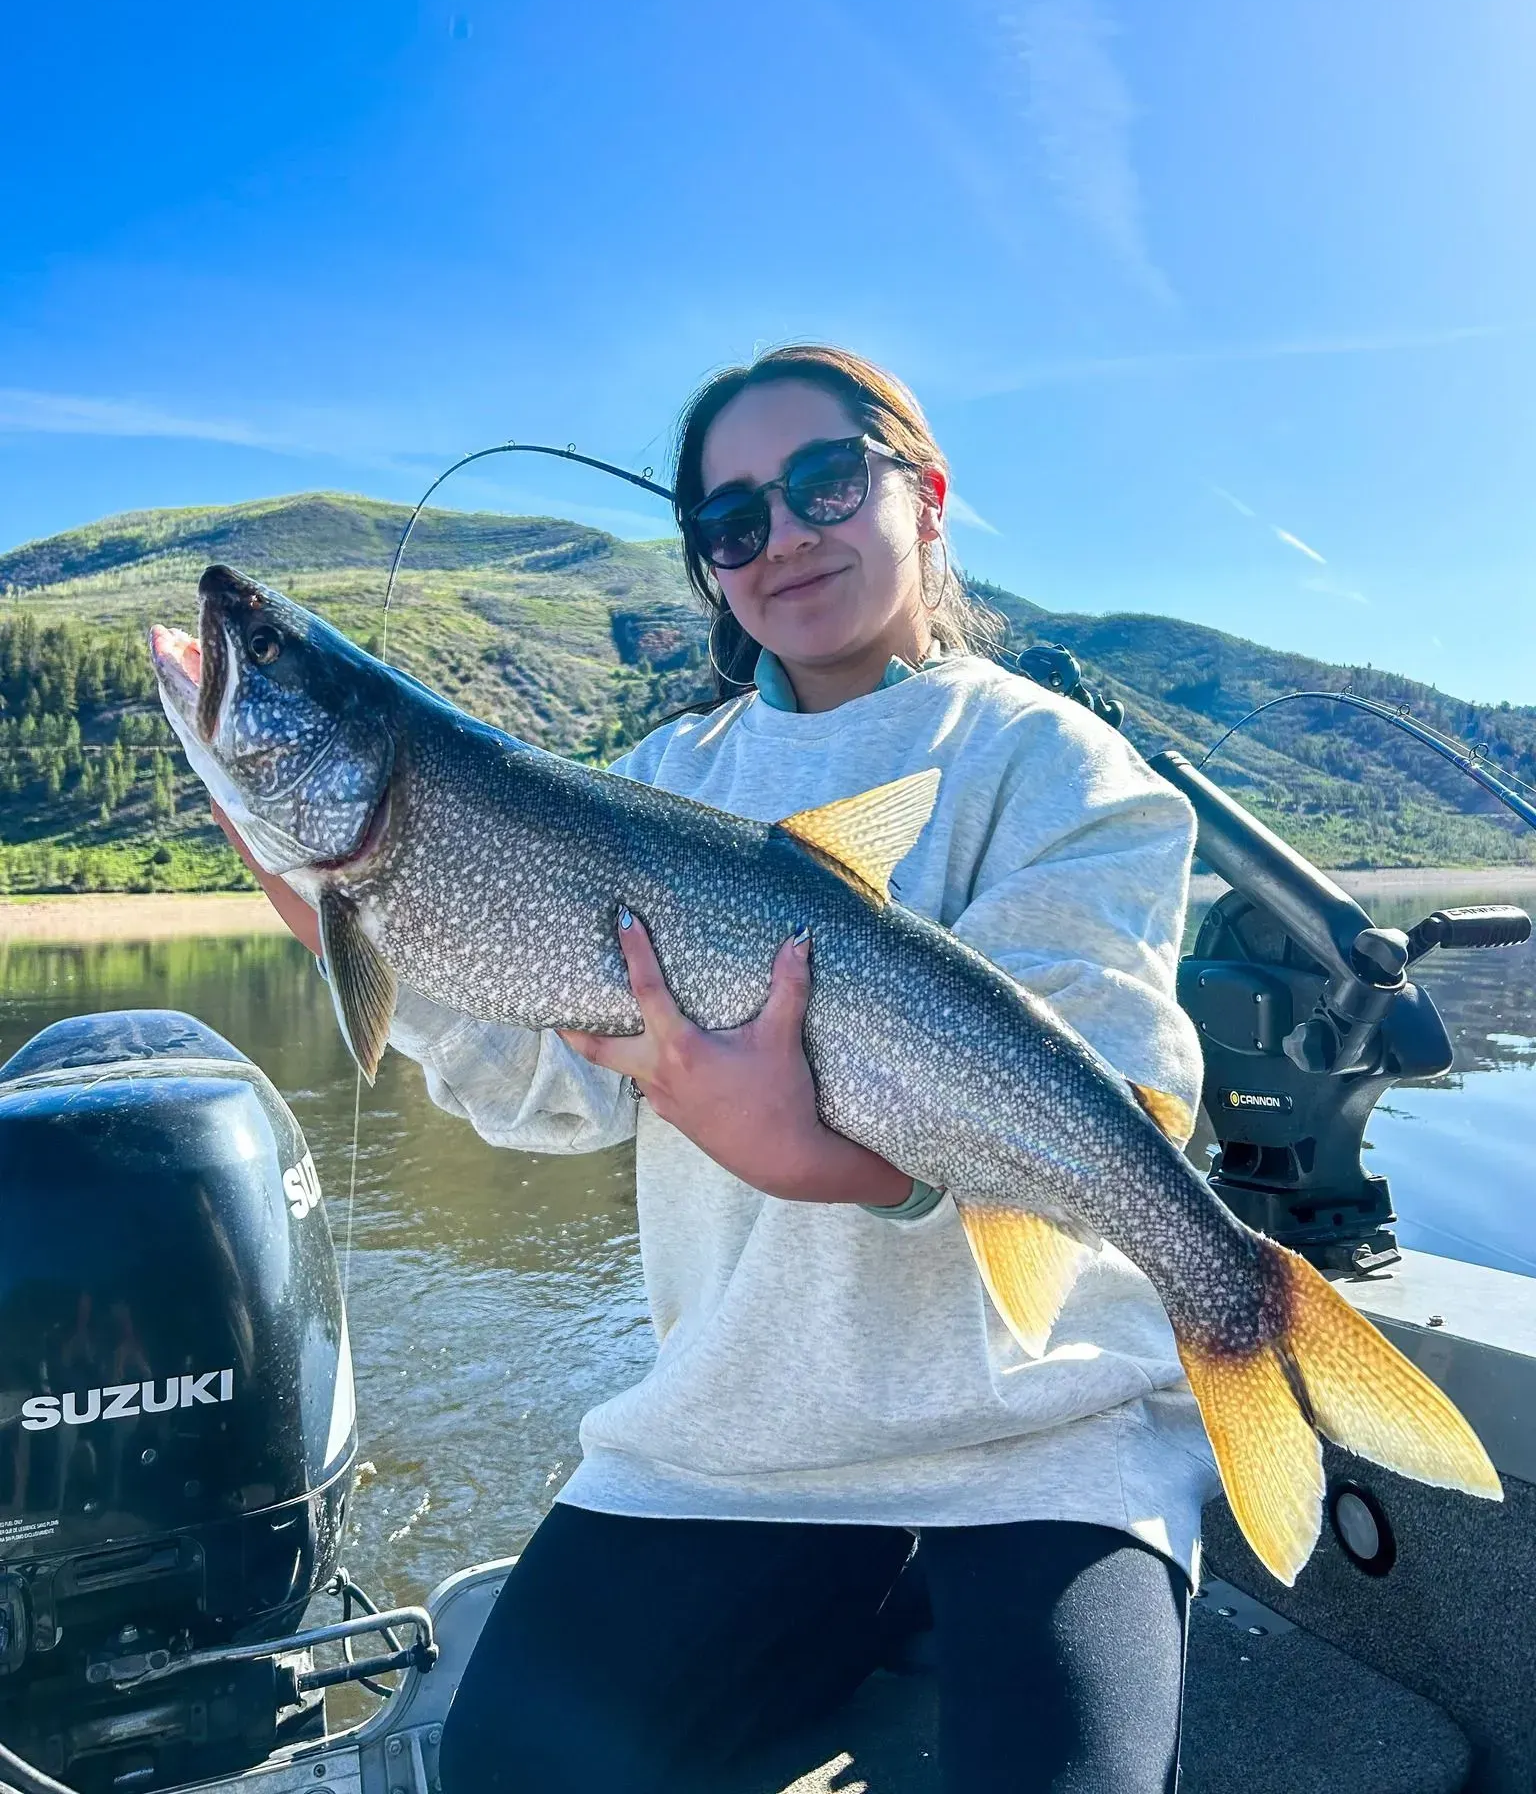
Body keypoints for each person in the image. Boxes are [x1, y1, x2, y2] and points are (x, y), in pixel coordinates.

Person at [220, 343, 1215, 1794]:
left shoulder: (1060, 765)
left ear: (926, 496)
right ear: (709, 568)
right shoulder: (662, 782)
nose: (783, 536)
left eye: (822, 483)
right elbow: (552, 1089)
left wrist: (844, 1168)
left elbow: (1109, 1098)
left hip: (1045, 1442)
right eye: (732, 521)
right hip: (730, 1453)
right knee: (503, 1772)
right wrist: (338, 895)